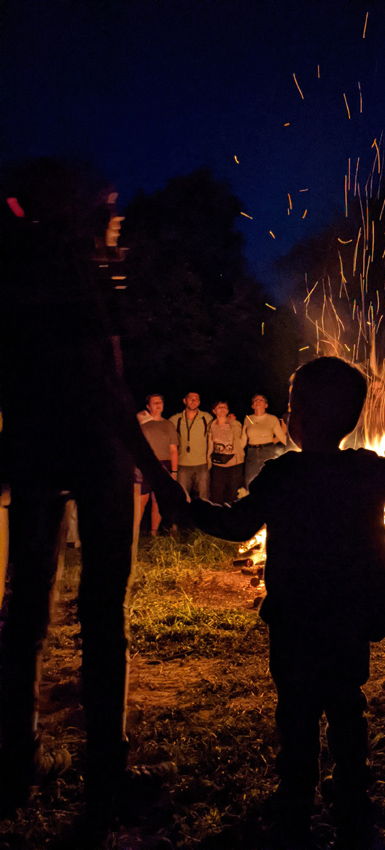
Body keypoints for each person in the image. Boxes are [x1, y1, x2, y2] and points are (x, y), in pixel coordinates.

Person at [0, 158, 188, 830]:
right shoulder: (74, 270)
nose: (116, 211)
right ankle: (105, 771)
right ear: (76, 208)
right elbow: (106, 385)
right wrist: (156, 472)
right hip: (88, 451)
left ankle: (12, 759)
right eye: (105, 202)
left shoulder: (19, 262)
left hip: (31, 450)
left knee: (25, 608)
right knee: (100, 614)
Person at [189, 357, 385, 850]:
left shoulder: (281, 475)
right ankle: (352, 798)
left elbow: (236, 525)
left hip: (294, 618)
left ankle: (296, 801)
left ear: (299, 418)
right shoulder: (364, 470)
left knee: (295, 710)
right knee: (346, 704)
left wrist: (187, 507)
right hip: (349, 616)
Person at [139, 394, 179, 535]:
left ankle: (154, 532)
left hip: (164, 464)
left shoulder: (168, 424)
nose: (158, 404)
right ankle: (133, 532)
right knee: (142, 499)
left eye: (160, 402)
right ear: (148, 406)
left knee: (158, 500)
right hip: (145, 463)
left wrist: (174, 471)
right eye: (154, 402)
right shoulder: (141, 423)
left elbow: (173, 449)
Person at [169, 392, 213, 500]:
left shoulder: (207, 418)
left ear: (199, 402)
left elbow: (221, 426)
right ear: (184, 401)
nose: (193, 401)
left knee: (204, 499)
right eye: (191, 398)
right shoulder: (175, 420)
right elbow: (161, 429)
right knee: (182, 499)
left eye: (196, 399)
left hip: (202, 465)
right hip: (183, 465)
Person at [241, 393, 287, 487]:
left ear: (266, 405)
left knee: (269, 482)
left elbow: (282, 437)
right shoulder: (248, 419)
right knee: (250, 482)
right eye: (255, 400)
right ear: (252, 406)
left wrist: (296, 446)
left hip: (268, 452)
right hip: (252, 454)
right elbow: (243, 440)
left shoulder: (272, 419)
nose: (258, 401)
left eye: (261, 400)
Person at [207, 400, 244, 503]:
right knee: (217, 494)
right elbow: (210, 445)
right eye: (219, 407)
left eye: (224, 407)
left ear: (227, 410)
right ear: (214, 411)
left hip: (234, 464)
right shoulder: (211, 426)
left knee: (234, 494)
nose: (222, 409)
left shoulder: (236, 424)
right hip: (218, 465)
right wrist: (208, 460)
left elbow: (242, 440)